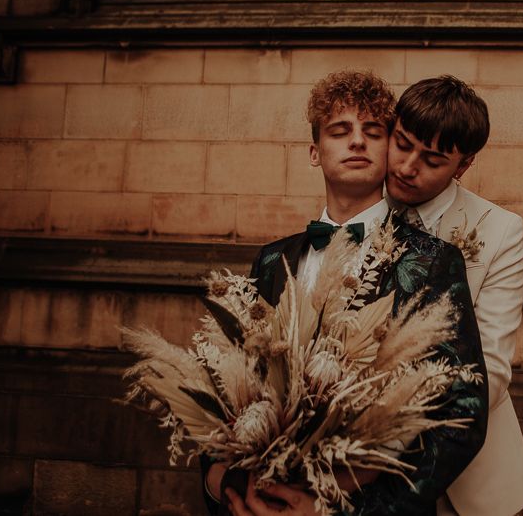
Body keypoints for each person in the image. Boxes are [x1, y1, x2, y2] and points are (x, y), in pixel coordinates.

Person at [202, 70, 488, 516]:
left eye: (372, 132)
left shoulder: (433, 261)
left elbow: (463, 412)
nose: (357, 141)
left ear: (389, 146)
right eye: (340, 131)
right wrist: (223, 486)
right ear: (315, 152)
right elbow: (224, 387)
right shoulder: (270, 260)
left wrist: (347, 508)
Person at [385, 76, 523, 516]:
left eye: (432, 159)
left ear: (463, 165)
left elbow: (490, 370)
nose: (408, 166)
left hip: (474, 479)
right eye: (402, 143)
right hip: (355, 472)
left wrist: (389, 423)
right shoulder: (357, 206)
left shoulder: (499, 230)